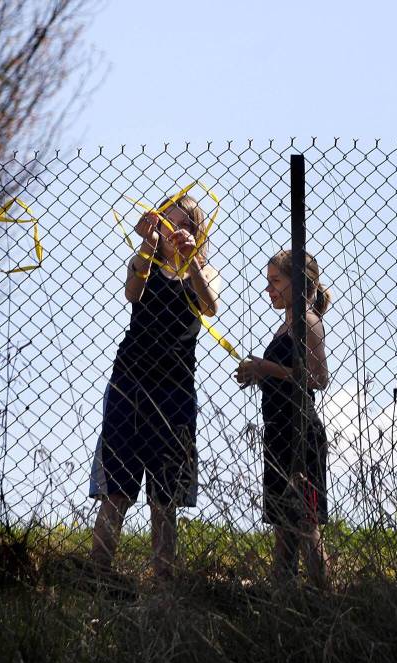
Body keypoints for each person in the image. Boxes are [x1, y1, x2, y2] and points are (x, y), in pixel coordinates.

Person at [89, 193, 220, 579]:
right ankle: (97, 574)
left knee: (164, 497)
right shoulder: (143, 260)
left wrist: (192, 259)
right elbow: (133, 292)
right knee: (117, 489)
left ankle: (163, 579)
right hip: (130, 382)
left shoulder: (204, 270)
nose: (171, 232)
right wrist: (146, 247)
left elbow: (209, 305)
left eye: (182, 225)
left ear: (196, 232)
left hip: (175, 388)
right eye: (165, 223)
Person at [235, 250, 331, 587]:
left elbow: (318, 378)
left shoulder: (307, 321)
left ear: (300, 283)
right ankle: (283, 589)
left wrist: (266, 368)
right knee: (282, 519)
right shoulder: (285, 325)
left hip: (300, 430)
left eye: (276, 281)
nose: (269, 289)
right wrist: (259, 373)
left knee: (307, 520)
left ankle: (322, 591)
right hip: (277, 429)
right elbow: (289, 374)